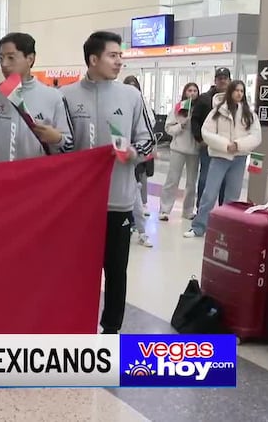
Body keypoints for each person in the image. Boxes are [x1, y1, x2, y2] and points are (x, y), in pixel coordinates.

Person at [62, 31, 155, 334]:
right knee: (78, 272)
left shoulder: (131, 97)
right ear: (93, 59)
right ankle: (77, 323)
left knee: (116, 272)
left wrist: (133, 153)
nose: (119, 61)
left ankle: (111, 329)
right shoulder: (66, 96)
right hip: (77, 206)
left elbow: (148, 140)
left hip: (118, 202)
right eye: (113, 55)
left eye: (120, 56)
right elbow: (60, 147)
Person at [0, 32, 74, 163]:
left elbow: (69, 146)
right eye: (1, 58)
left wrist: (57, 139)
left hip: (34, 179)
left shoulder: (53, 97)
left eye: (11, 58)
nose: (4, 64)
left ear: (30, 59)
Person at [184, 80, 261, 238]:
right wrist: (226, 145)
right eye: (236, 90)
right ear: (230, 92)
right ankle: (199, 227)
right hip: (220, 157)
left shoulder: (249, 113)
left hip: (239, 158)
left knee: (232, 197)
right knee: (209, 194)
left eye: (242, 90)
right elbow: (207, 132)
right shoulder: (218, 112)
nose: (239, 93)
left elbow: (256, 136)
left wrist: (238, 145)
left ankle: (226, 229)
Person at [159, 82, 201, 221]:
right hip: (177, 149)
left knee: (191, 183)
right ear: (185, 92)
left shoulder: (200, 109)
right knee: (172, 179)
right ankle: (165, 209)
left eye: (195, 90)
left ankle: (188, 210)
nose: (192, 93)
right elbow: (168, 128)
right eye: (189, 90)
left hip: (194, 151)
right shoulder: (179, 108)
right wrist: (180, 126)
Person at [191, 68, 231, 211]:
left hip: (226, 147)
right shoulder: (205, 98)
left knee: (225, 180)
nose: (222, 80)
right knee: (205, 178)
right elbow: (194, 120)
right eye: (219, 78)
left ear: (229, 80)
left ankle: (223, 211)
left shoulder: (232, 99)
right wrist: (199, 138)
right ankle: (201, 210)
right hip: (208, 146)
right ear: (215, 80)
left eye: (225, 78)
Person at [123, 75, 154, 219]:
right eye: (128, 85)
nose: (131, 87)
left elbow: (150, 122)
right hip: (124, 144)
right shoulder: (122, 100)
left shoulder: (142, 101)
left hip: (139, 146)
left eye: (133, 85)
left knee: (141, 175)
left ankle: (143, 203)